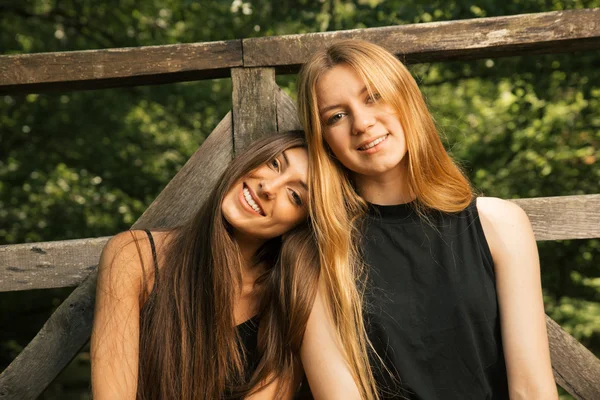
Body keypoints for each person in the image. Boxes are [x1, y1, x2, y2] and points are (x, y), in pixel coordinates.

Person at [297, 40, 558, 399]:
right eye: (336, 116)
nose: (362, 122)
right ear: (323, 140)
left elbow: (532, 391)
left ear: (406, 99)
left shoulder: (501, 225)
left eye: (373, 96)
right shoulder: (319, 253)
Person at [90, 131, 376, 400]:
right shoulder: (133, 256)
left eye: (295, 196)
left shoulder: (287, 302)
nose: (268, 187)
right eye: (274, 163)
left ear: (300, 226)